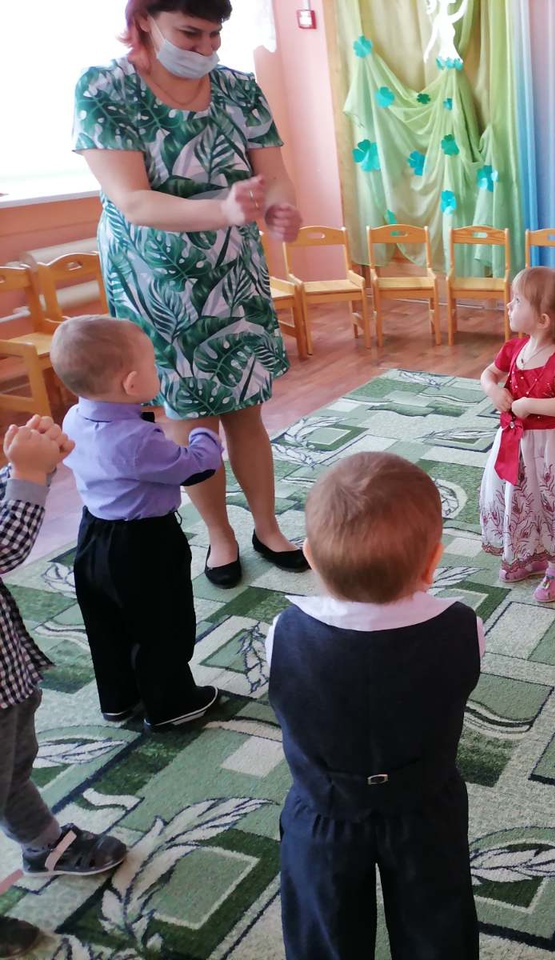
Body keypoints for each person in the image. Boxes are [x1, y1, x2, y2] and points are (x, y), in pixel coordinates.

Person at [73, 0, 307, 590]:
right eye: (190, 33)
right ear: (144, 20)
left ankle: (267, 528)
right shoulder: (104, 88)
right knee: (187, 414)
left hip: (234, 273)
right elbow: (134, 200)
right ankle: (219, 536)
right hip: (156, 279)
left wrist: (280, 207)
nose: (206, 48)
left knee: (246, 408)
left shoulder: (238, 88)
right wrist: (221, 210)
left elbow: (274, 172)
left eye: (215, 34)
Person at [267, 452, 482, 959]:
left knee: (324, 935)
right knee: (439, 932)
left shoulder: (283, 631)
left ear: (310, 557)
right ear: (433, 562)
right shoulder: (464, 626)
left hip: (322, 815)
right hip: (426, 810)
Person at [54, 317, 224, 730]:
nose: (159, 371)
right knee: (162, 623)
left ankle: (119, 698)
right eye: (153, 365)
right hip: (144, 544)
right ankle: (172, 704)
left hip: (93, 537)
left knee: (106, 622)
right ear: (131, 383)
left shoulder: (74, 419)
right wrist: (204, 432)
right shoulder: (137, 440)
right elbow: (196, 467)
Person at [0, 417, 128, 958]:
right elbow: (5, 548)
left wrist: (26, 468)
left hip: (7, 677)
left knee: (14, 770)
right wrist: (29, 474)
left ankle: (43, 844)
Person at [479, 266, 555, 602]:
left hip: (549, 448)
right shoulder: (513, 349)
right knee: (521, 496)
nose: (509, 305)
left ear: (544, 320)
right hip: (513, 442)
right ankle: (530, 554)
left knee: (551, 500)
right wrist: (493, 390)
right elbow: (488, 374)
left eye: (517, 300)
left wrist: (527, 404)